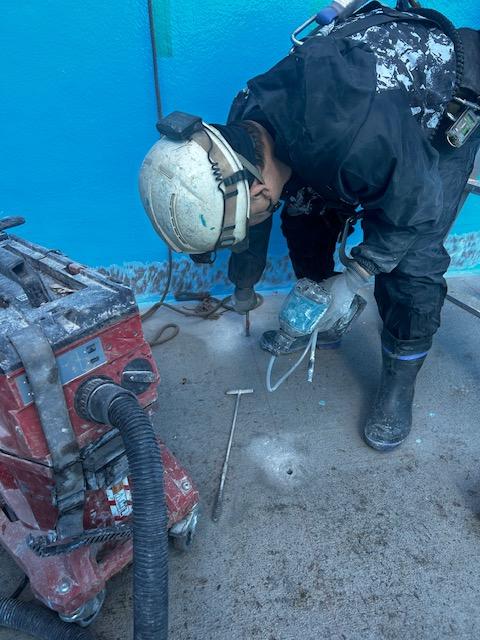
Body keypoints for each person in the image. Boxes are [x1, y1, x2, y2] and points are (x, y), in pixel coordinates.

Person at [139, 2, 480, 451]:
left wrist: (354, 278)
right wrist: (244, 282)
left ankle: (400, 380)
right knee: (302, 216)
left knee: (411, 266)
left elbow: (416, 209)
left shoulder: (358, 141)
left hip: (444, 99)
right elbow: (247, 215)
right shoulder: (239, 128)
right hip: (365, 118)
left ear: (258, 191)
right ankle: (324, 320)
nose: (254, 218)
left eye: (251, 214)